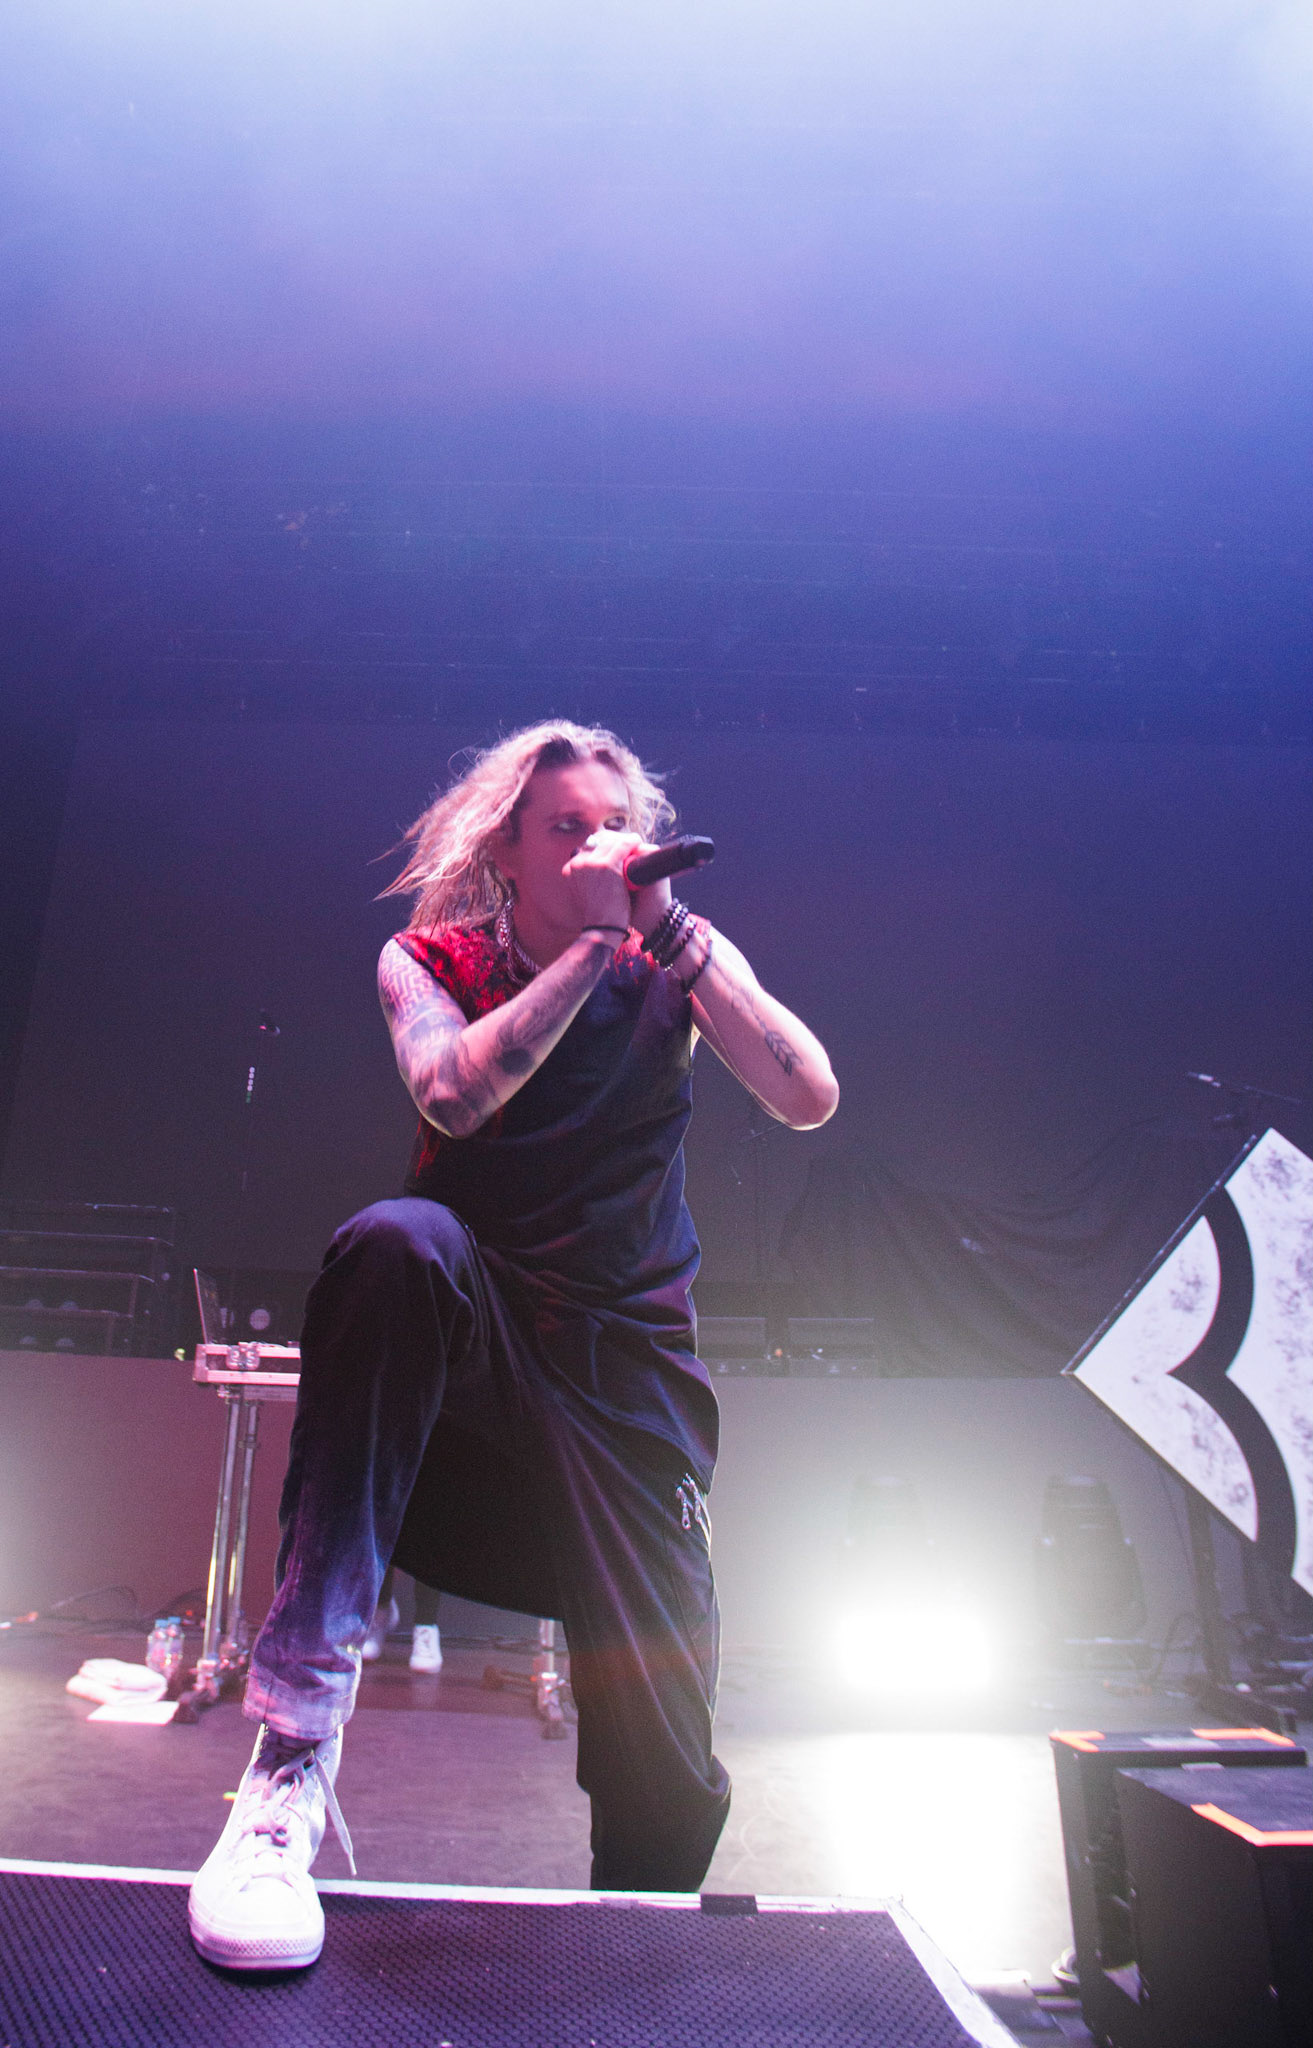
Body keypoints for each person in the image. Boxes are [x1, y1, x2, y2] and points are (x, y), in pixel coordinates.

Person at [188, 720, 838, 1970]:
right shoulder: (427, 958)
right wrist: (592, 947)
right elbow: (451, 1092)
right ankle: (287, 1762)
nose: (599, 844)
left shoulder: (677, 959)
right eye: (567, 827)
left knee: (665, 1775)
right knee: (395, 1242)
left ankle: (626, 1947)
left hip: (626, 1377)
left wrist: (667, 935)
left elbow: (807, 1093)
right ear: (507, 851)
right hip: (478, 1343)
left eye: (616, 823)